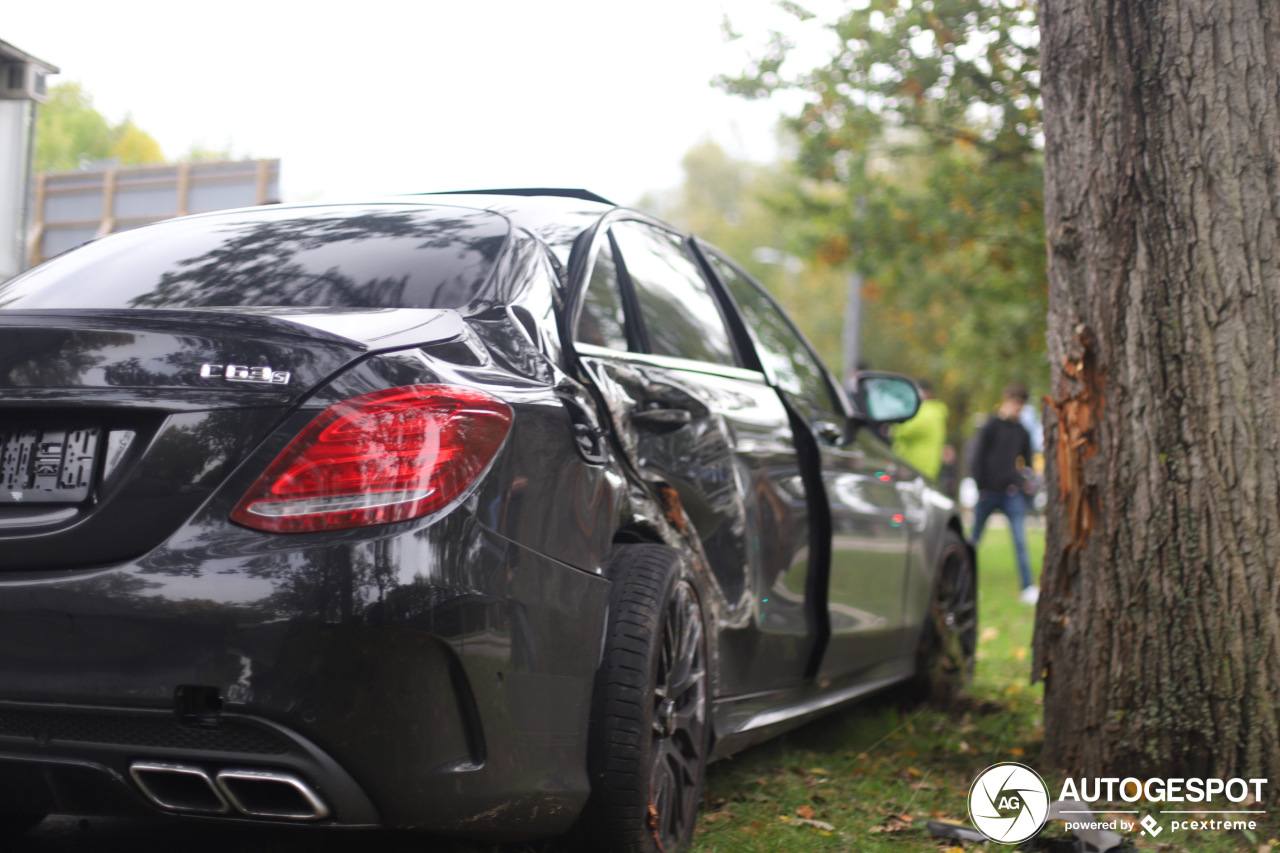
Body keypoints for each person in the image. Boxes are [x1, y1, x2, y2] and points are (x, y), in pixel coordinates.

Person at [970, 383, 1037, 604]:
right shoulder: (990, 426)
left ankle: (1027, 587)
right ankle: (966, 584)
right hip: (988, 492)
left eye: (1021, 406)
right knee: (973, 540)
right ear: (1006, 400)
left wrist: (1023, 483)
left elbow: (1026, 464)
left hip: (1011, 494)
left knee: (1020, 541)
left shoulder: (1022, 432)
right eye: (1015, 404)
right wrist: (981, 487)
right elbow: (978, 457)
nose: (1017, 410)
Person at [892, 378, 948, 480]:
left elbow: (901, 431)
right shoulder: (933, 412)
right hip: (922, 469)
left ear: (927, 393)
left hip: (917, 469)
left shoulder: (926, 412)